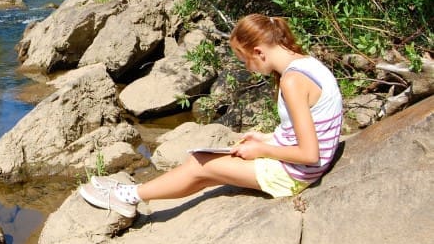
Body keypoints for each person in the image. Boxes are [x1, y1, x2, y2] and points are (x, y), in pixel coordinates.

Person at [79, 13, 344, 218]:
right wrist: (267, 137)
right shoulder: (306, 63)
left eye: (245, 60)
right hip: (303, 166)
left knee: (199, 164)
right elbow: (310, 126)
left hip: (295, 174)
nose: (247, 67)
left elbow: (310, 154)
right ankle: (132, 195)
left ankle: (127, 196)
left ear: (259, 52)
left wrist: (262, 150)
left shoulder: (293, 81)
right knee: (207, 167)